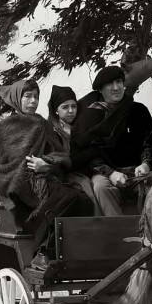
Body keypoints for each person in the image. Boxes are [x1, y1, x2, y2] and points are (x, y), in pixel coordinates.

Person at [0, 78, 95, 271]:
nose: (33, 101)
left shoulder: (41, 123)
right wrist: (37, 167)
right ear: (16, 99)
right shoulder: (7, 127)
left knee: (84, 201)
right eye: (27, 96)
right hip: (21, 183)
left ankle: (70, 251)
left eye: (36, 97)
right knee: (69, 197)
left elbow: (58, 153)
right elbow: (15, 162)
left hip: (46, 177)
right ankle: (41, 251)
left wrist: (48, 164)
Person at [70, 65, 152, 216]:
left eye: (119, 82)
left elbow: (149, 143)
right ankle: (118, 234)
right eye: (110, 83)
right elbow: (89, 155)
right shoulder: (89, 116)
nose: (116, 87)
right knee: (100, 188)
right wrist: (111, 173)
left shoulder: (139, 111)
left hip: (138, 173)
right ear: (100, 89)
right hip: (106, 173)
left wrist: (145, 164)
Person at [47, 84, 99, 215]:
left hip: (85, 171)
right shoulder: (50, 131)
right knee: (87, 194)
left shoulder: (81, 126)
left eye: (74, 106)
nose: (70, 111)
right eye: (65, 107)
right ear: (56, 110)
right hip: (63, 175)